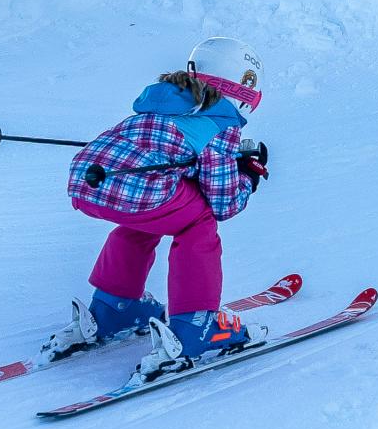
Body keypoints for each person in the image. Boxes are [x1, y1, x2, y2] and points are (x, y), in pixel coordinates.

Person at [50, 36, 275, 381]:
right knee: (198, 221)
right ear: (242, 91)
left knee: (152, 214)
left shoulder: (166, 104)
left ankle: (115, 306)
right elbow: (223, 202)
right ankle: (195, 326)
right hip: (134, 187)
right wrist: (247, 175)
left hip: (87, 183)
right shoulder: (219, 122)